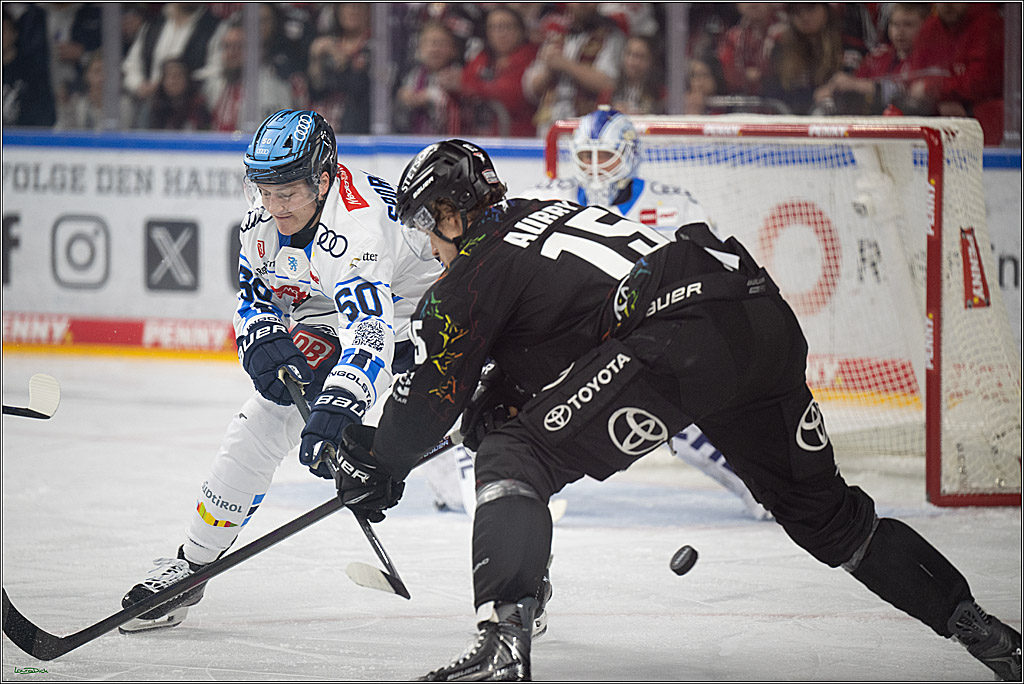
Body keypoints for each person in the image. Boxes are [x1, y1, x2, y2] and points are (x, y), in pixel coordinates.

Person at [323, 139, 1021, 681]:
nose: (429, 245)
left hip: (684, 333)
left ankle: (504, 644)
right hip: (758, 313)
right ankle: (985, 633)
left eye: (426, 224)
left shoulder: (474, 270)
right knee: (831, 519)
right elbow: (557, 338)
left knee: (514, 455)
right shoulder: (545, 212)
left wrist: (379, 460)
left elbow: (428, 401)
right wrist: (489, 403)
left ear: (450, 213)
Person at [118, 109, 443, 632]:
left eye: (287, 193)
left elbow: (370, 335)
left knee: (480, 440)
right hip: (336, 308)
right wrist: (260, 336)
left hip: (427, 312)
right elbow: (253, 296)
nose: (273, 205)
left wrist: (338, 408)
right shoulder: (265, 214)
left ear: (323, 179)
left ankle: (517, 584)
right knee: (264, 419)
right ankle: (191, 566)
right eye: (265, 190)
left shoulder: (356, 230)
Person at [517, 107, 768, 521]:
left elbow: (712, 269)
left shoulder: (672, 205)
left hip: (647, 333)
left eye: (605, 157)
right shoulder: (547, 197)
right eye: (586, 158)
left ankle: (758, 484)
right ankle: (489, 484)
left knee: (680, 411)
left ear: (629, 157)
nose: (595, 169)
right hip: (571, 332)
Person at [903, 2, 1005, 145]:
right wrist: (940, 102)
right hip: (936, 122)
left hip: (982, 128)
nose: (948, 4)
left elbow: (979, 82)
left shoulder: (987, 25)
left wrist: (931, 88)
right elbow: (914, 81)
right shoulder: (930, 28)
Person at [522, 2, 626, 137]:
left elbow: (608, 84)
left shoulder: (611, 37)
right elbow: (531, 88)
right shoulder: (556, 35)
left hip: (588, 129)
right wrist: (549, 71)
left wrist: (566, 65)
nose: (581, 4)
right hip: (550, 126)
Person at [817, 3, 930, 116]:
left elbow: (908, 92)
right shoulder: (878, 56)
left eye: (908, 25)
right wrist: (834, 87)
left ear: (925, 26)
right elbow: (852, 81)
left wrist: (860, 85)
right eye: (894, 24)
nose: (900, 31)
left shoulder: (928, 58)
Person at [458, 5, 539, 138]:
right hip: (480, 137)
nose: (500, 33)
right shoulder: (482, 57)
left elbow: (514, 95)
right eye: (494, 27)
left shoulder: (532, 56)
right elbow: (463, 81)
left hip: (520, 140)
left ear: (521, 30)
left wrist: (476, 88)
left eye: (506, 27)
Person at [609, 34, 666, 116]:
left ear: (651, 61)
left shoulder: (661, 95)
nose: (631, 61)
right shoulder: (610, 90)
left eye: (639, 56)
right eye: (628, 53)